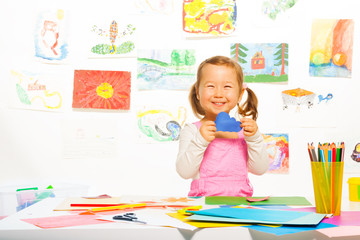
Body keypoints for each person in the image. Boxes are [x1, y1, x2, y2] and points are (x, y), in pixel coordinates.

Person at [176, 56, 269, 197]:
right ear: (198, 92)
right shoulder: (192, 130)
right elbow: (184, 171)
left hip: (241, 205)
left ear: (240, 94)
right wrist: (200, 141)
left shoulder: (245, 131)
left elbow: (260, 169)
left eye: (227, 87)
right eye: (210, 86)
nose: (219, 94)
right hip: (202, 205)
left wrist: (254, 139)